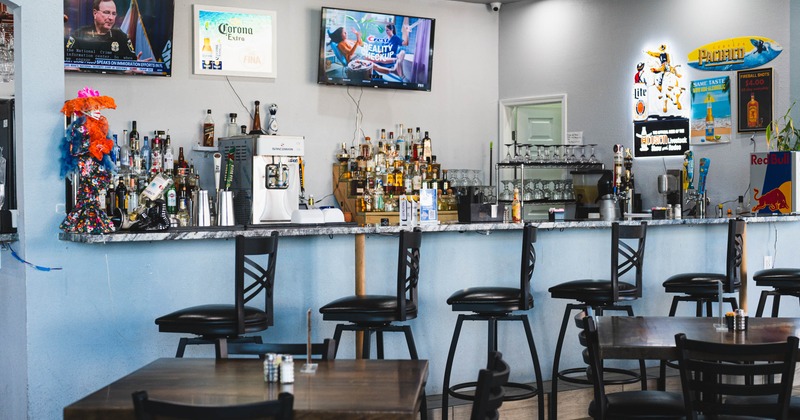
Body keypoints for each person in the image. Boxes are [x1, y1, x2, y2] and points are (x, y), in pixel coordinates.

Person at [65, 0, 143, 61]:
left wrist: (135, 66)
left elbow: (130, 65)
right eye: (107, 13)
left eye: (114, 14)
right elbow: (68, 61)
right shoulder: (79, 35)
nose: (111, 18)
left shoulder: (122, 38)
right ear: (95, 13)